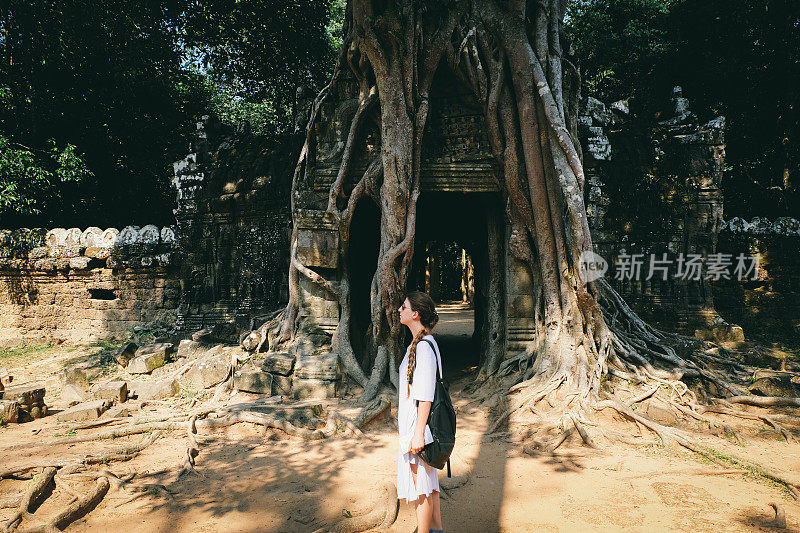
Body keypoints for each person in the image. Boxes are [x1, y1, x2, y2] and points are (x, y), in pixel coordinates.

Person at [397, 291, 444, 533]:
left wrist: (417, 435)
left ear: (415, 314)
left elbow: (425, 396)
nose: (399, 310)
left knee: (421, 488)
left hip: (419, 427)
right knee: (428, 484)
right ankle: (436, 530)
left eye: (403, 307)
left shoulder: (424, 348)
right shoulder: (422, 343)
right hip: (417, 426)